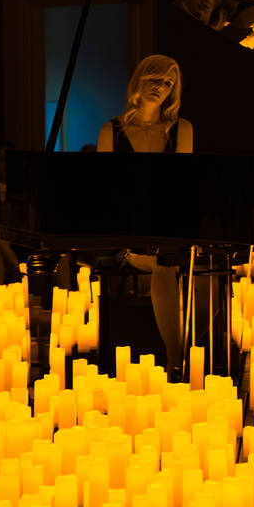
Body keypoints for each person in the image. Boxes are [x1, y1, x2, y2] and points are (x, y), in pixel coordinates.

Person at [97, 54, 193, 378]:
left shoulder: (182, 130)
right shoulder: (111, 131)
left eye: (168, 83)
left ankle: (179, 358)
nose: (161, 88)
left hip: (168, 228)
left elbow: (183, 189)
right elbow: (103, 193)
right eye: (156, 79)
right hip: (126, 231)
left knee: (171, 258)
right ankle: (176, 359)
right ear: (141, 79)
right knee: (164, 263)